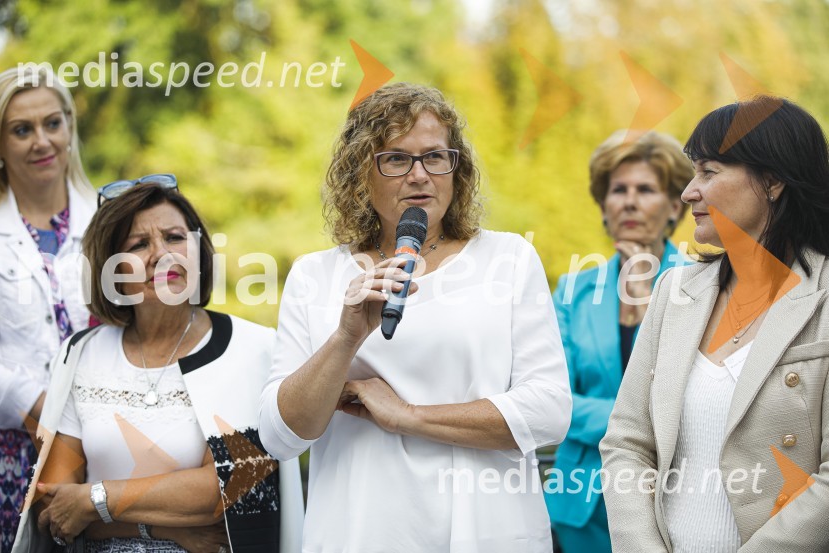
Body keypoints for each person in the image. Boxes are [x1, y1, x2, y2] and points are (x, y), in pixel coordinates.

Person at [258, 82, 572, 552]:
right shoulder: (315, 275)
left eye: (434, 157)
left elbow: (548, 412)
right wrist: (346, 337)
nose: (420, 175)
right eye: (397, 159)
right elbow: (280, 437)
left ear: (455, 168)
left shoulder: (507, 258)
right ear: (361, 172)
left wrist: (408, 416)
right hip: (360, 532)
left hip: (486, 532)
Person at [13, 181, 303, 552]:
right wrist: (166, 530)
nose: (161, 254)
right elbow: (53, 506)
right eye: (138, 245)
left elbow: (225, 489)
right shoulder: (80, 355)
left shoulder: (251, 348)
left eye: (174, 238)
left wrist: (92, 501)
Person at [600, 96, 829, 552]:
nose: (688, 192)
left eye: (709, 171)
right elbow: (627, 444)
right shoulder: (674, 292)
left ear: (773, 181)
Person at [544, 130, 693, 553]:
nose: (629, 201)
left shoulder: (707, 283)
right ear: (604, 205)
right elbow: (552, 399)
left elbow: (698, 397)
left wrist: (648, 299)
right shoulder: (573, 290)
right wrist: (640, 421)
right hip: (581, 509)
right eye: (618, 190)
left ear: (673, 207)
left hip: (676, 500)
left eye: (646, 189)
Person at [0, 66, 96, 550]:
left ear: (69, 129)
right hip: (12, 453)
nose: (42, 141)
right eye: (22, 130)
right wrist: (37, 406)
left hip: (98, 447)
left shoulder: (108, 222)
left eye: (52, 124)